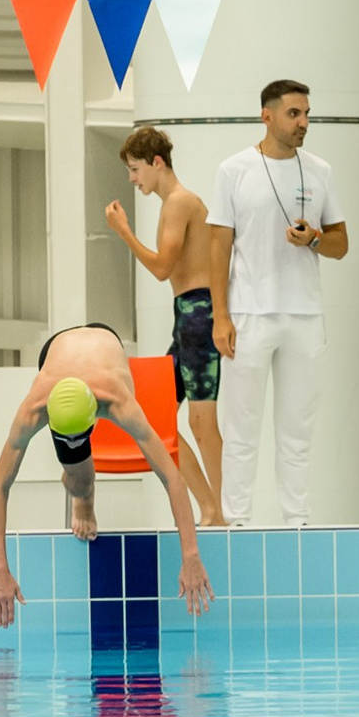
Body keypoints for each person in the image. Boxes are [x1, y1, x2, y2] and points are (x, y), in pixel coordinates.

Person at [0, 323, 213, 627]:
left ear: (97, 415)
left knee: (81, 467)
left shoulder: (119, 402)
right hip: (57, 350)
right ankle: (84, 494)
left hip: (106, 339)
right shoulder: (33, 409)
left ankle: (82, 487)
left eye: (78, 436)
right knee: (80, 479)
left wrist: (191, 555)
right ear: (47, 416)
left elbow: (171, 477)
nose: (72, 442)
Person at [207, 79, 348, 527]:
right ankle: (238, 522)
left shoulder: (321, 170)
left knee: (297, 429)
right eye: (294, 114)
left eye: (306, 113)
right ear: (266, 115)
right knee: (241, 427)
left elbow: (341, 244)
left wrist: (315, 239)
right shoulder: (234, 170)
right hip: (248, 313)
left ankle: (297, 520)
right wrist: (221, 316)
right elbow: (218, 246)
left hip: (304, 315)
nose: (303, 122)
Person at [103, 125, 224, 526]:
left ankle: (218, 512)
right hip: (189, 314)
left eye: (136, 169)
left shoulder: (179, 202)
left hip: (197, 315)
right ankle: (210, 507)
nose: (133, 179)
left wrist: (124, 232)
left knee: (201, 420)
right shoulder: (179, 203)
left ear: (157, 163)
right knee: (159, 417)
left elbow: (161, 268)